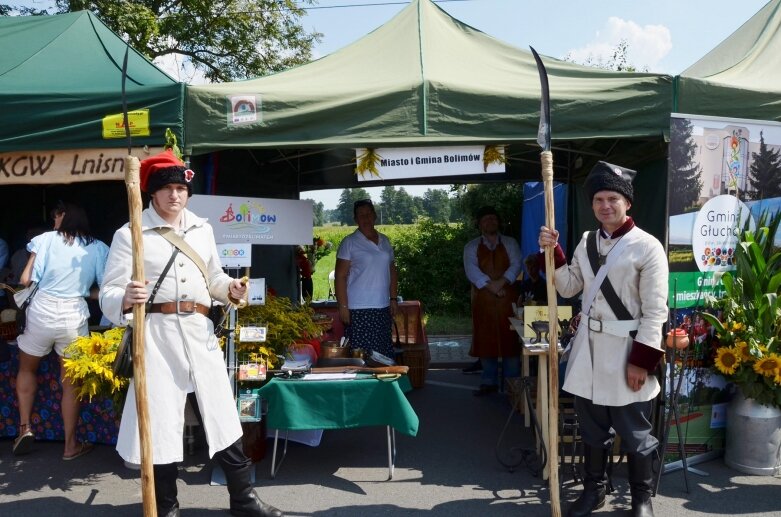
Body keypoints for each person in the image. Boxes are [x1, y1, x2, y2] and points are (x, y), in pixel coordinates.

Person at [99, 150, 283, 517]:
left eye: (180, 188)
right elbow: (108, 292)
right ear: (152, 193)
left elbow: (212, 278)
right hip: (156, 337)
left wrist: (229, 288)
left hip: (198, 334)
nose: (174, 195)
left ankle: (244, 500)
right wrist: (125, 298)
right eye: (166, 188)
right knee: (162, 423)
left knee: (222, 416)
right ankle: (166, 506)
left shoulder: (202, 228)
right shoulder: (130, 233)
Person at [538, 161, 668, 517]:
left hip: (628, 353)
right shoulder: (585, 241)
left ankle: (642, 498)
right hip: (589, 353)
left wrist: (641, 362)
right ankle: (594, 492)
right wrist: (553, 252)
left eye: (613, 198)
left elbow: (656, 312)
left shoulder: (647, 247)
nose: (605, 206)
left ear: (627, 203)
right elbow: (567, 286)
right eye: (598, 199)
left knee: (636, 435)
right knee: (593, 432)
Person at [13, 201, 109, 460]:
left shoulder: (45, 239)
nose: (54, 222)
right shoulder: (98, 247)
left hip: (41, 311)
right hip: (74, 315)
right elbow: (105, 289)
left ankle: (25, 427)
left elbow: (25, 280)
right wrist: (81, 291)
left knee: (26, 369)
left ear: (63, 216)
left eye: (56, 217)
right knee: (71, 383)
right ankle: (70, 446)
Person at [463, 206, 522, 396]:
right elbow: (472, 271)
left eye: (493, 218)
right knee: (485, 339)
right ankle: (488, 381)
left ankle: (512, 382)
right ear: (479, 224)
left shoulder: (510, 243)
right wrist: (492, 286)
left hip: (508, 299)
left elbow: (516, 264)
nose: (490, 222)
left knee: (510, 338)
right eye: (486, 219)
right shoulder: (471, 246)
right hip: (484, 299)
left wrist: (501, 282)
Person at [334, 198, 398, 359]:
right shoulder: (349, 242)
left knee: (383, 355)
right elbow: (340, 276)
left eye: (368, 214)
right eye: (361, 215)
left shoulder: (385, 241)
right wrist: (343, 306)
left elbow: (392, 270)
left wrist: (393, 298)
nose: (365, 218)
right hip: (358, 308)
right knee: (361, 356)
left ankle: (384, 384)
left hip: (383, 306)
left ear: (374, 216)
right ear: (355, 220)